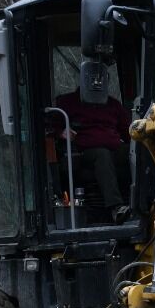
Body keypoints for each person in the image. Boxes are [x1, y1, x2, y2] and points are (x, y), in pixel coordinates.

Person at [50, 68, 127, 217]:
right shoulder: (68, 102)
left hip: (115, 147)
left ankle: (149, 203)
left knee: (140, 151)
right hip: (84, 152)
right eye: (92, 79)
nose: (96, 83)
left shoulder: (114, 105)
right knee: (102, 155)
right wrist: (61, 132)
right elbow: (51, 124)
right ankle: (116, 208)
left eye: (101, 80)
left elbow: (128, 131)